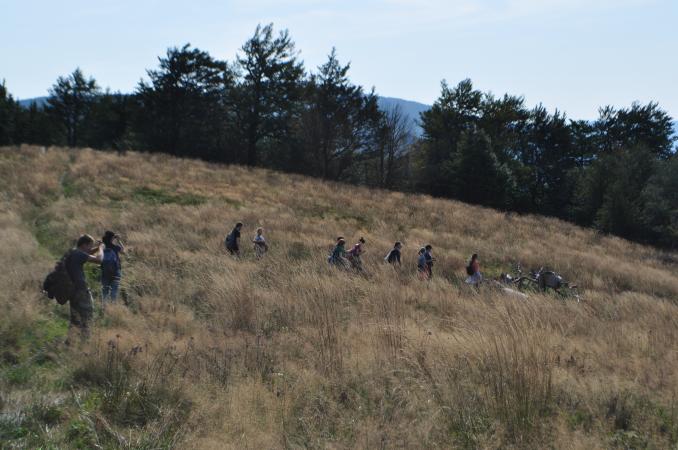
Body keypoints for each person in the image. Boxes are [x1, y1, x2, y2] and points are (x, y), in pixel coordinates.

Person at [65, 234, 103, 343]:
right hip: (81, 290)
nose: (91, 248)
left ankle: (69, 343)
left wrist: (97, 247)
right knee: (87, 316)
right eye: (90, 245)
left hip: (72, 291)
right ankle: (85, 343)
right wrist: (101, 249)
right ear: (84, 245)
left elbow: (87, 253)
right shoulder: (79, 254)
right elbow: (99, 260)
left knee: (75, 318)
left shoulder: (73, 253)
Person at [101, 230, 124, 303]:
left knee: (105, 290)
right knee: (114, 290)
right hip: (116, 270)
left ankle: (104, 306)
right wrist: (119, 240)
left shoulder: (103, 247)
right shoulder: (115, 247)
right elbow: (123, 251)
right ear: (112, 238)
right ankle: (113, 306)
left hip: (104, 271)